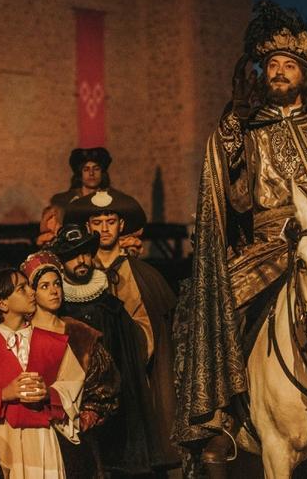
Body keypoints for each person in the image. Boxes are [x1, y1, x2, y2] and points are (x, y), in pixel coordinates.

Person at [174, 0, 307, 464]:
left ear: (304, 76)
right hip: (264, 247)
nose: (278, 72)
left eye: (288, 65)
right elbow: (231, 191)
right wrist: (231, 126)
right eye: (271, 65)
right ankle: (221, 417)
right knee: (209, 303)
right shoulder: (247, 130)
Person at [64, 189, 179, 470]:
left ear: (122, 225)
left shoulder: (144, 276)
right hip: (82, 387)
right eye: (97, 222)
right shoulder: (74, 273)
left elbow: (152, 332)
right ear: (87, 226)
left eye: (111, 221)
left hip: (133, 382)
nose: (104, 229)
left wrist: (126, 350)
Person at [0, 267, 83, 478]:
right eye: (22, 289)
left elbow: (72, 384)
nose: (32, 292)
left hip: (42, 441)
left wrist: (49, 393)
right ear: (2, 303)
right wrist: (4, 394)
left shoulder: (52, 344)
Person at [22, 250, 120, 478]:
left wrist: (86, 416)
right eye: (45, 286)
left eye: (57, 284)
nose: (54, 291)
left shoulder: (79, 332)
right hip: (33, 433)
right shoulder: (21, 334)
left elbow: (106, 384)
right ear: (32, 292)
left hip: (75, 435)